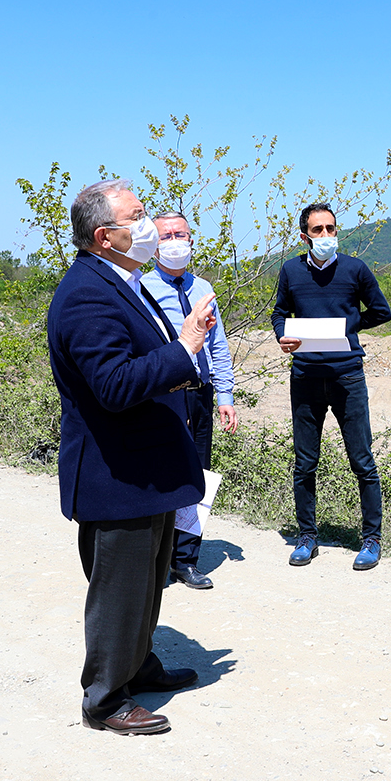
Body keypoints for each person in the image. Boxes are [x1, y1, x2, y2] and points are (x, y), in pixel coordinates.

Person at [47, 178, 217, 735]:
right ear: (104, 236)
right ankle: (104, 698)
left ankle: (137, 664)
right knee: (119, 588)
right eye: (138, 218)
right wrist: (186, 347)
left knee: (147, 580)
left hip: (148, 467)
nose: (149, 227)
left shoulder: (124, 281)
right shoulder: (86, 295)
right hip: (116, 472)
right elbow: (115, 385)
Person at [271, 203, 391, 570]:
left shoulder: (355, 268)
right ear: (304, 235)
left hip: (347, 376)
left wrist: (347, 328)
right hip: (305, 375)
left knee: (362, 460)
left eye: (331, 228)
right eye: (318, 230)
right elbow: (279, 313)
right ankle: (307, 536)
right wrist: (283, 336)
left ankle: (371, 539)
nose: (326, 236)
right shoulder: (291, 270)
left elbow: (381, 311)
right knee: (305, 463)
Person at [141, 211, 239, 590]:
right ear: (153, 245)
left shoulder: (203, 288)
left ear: (192, 239)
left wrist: (225, 394)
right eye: (166, 235)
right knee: (159, 476)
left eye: (180, 234)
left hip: (199, 393)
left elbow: (218, 345)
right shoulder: (141, 288)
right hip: (163, 395)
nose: (174, 241)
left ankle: (186, 559)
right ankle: (155, 559)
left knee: (197, 476)